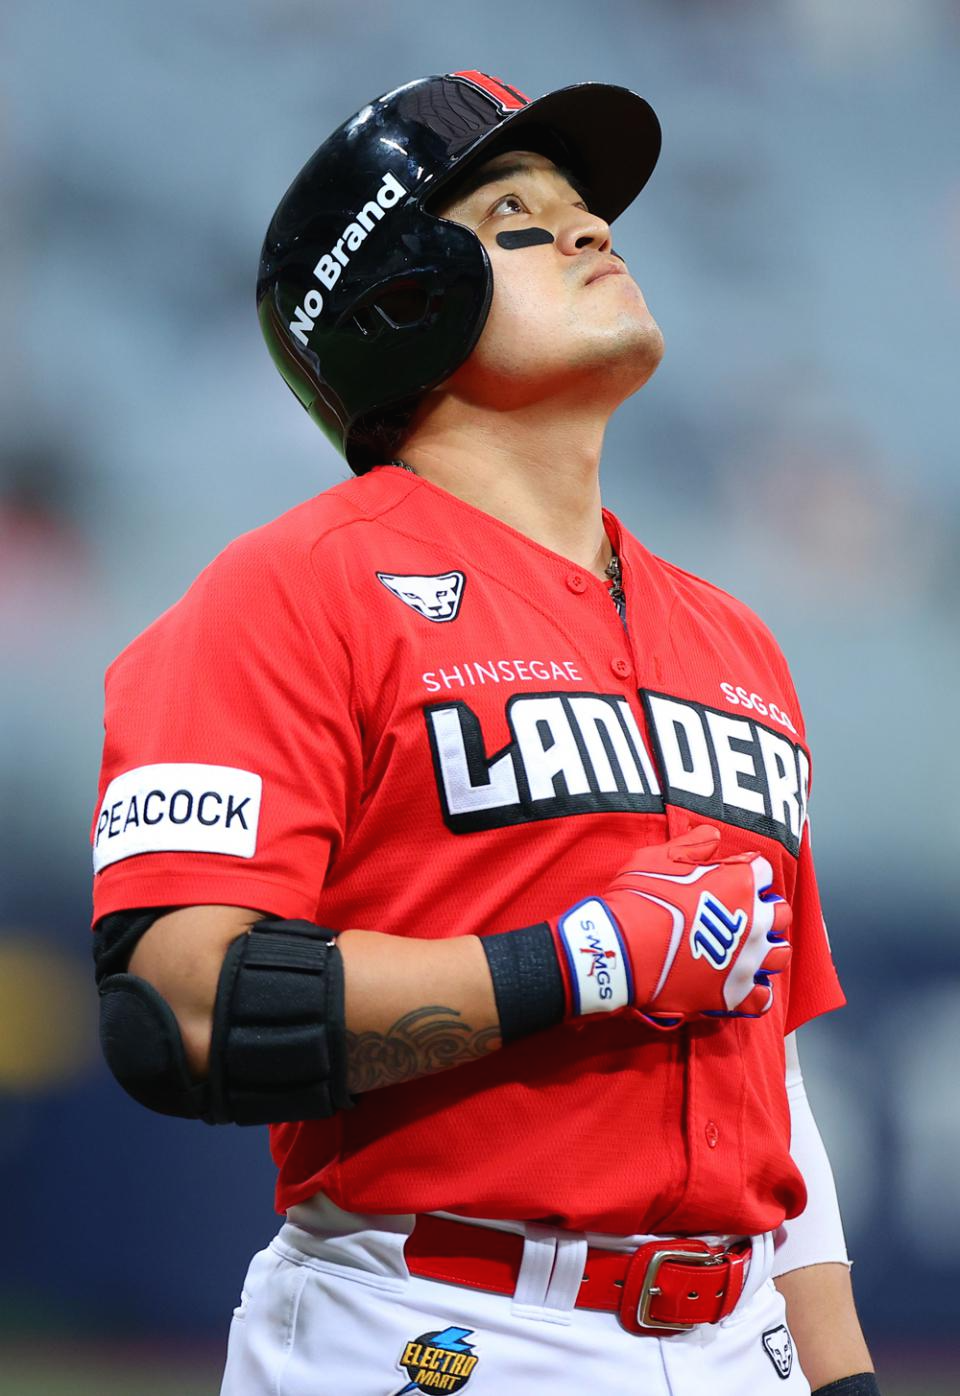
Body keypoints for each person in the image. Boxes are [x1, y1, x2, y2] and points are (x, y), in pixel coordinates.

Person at [91, 70, 880, 1396]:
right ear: (401, 296)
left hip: (740, 1338)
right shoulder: (293, 588)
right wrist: (573, 964)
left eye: (585, 210)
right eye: (517, 217)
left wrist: (840, 1376)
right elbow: (182, 1009)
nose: (592, 229)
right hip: (434, 1328)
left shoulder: (735, 639)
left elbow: (769, 1072)